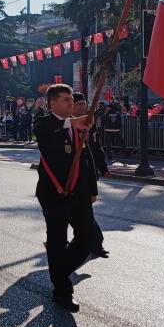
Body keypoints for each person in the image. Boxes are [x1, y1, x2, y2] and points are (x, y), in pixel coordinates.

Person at [34, 84, 95, 312]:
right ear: (53, 104)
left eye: (72, 99)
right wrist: (72, 123)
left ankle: (58, 271)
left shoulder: (78, 125)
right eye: (66, 100)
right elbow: (45, 132)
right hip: (54, 194)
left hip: (78, 192)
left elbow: (85, 159)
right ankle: (62, 291)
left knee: (86, 240)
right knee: (57, 241)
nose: (72, 103)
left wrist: (92, 189)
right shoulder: (43, 122)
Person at [73, 93, 110, 259]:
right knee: (78, 214)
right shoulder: (67, 124)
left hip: (89, 173)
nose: (82, 107)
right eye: (79, 104)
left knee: (85, 213)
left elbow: (96, 146)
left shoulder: (90, 123)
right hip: (73, 176)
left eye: (84, 103)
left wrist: (103, 167)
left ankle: (94, 243)